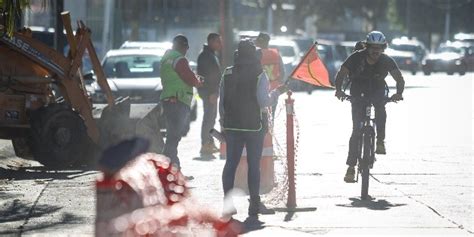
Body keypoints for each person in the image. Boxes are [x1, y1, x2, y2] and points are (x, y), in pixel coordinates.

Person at [219, 40, 287, 218]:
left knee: (230, 164)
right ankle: (254, 205)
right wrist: (277, 92)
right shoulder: (259, 74)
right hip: (254, 127)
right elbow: (264, 101)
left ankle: (227, 204)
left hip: (232, 126)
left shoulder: (227, 73)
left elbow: (222, 102)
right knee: (253, 165)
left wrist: (223, 123)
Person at [334, 31, 405, 183]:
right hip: (357, 91)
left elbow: (399, 78)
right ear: (367, 47)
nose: (375, 51)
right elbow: (341, 73)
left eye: (379, 47)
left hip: (378, 89)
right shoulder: (356, 57)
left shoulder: (387, 60)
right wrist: (338, 90)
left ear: (383, 48)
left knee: (381, 109)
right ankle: (351, 167)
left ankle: (380, 140)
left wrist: (398, 93)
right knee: (356, 130)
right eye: (372, 47)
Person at [160, 35, 202, 169]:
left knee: (172, 135)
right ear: (182, 46)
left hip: (169, 99)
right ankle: (168, 168)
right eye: (187, 47)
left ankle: (170, 167)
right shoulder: (179, 59)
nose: (187, 50)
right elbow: (189, 78)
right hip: (178, 100)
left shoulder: (166, 57)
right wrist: (198, 82)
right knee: (173, 136)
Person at [197, 33, 223, 155]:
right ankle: (205, 144)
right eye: (218, 41)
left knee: (211, 118)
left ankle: (209, 142)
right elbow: (209, 77)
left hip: (211, 92)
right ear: (211, 42)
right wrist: (212, 92)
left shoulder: (210, 55)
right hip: (209, 92)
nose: (220, 44)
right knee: (208, 118)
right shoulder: (206, 56)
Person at [254, 32, 285, 119]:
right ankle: (270, 131)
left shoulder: (255, 54)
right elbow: (282, 73)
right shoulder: (275, 54)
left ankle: (263, 131)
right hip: (274, 89)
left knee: (259, 116)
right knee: (271, 115)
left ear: (258, 42)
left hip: (258, 89)